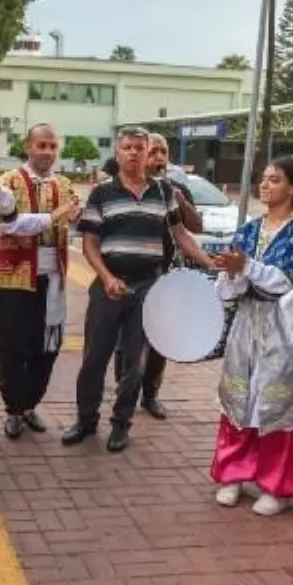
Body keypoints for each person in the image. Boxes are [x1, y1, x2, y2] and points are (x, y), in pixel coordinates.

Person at [66, 126, 216, 452]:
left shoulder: (163, 191)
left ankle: (121, 425)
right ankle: (86, 420)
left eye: (139, 147)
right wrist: (107, 277)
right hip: (108, 285)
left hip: (148, 287)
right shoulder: (102, 193)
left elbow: (181, 234)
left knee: (134, 363)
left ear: (148, 153)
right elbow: (89, 242)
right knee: (94, 358)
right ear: (118, 153)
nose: (133, 152)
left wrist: (208, 261)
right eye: (127, 147)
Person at [209, 157, 293, 515]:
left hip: (283, 325)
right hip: (248, 320)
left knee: (277, 403)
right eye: (263, 179)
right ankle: (232, 474)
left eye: (275, 180)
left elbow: (289, 282)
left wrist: (246, 266)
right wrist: (231, 274)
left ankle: (278, 485)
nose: (265, 185)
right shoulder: (248, 230)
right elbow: (229, 288)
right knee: (239, 396)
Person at [0, 124, 81, 438]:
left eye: (52, 146)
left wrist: (74, 218)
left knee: (48, 344)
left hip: (54, 276)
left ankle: (29, 404)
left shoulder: (65, 184)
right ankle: (14, 408)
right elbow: (7, 225)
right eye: (41, 145)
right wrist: (53, 218)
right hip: (15, 277)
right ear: (28, 147)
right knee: (13, 344)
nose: (47, 152)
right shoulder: (8, 181)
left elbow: (74, 228)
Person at [112, 132, 202, 420]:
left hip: (164, 276)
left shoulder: (174, 189)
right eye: (153, 152)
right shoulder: (121, 187)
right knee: (126, 341)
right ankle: (124, 392)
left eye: (164, 152)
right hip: (129, 277)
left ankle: (151, 394)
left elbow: (195, 227)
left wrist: (179, 199)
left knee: (159, 339)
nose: (159, 158)